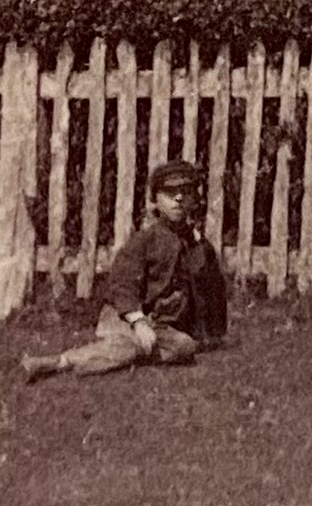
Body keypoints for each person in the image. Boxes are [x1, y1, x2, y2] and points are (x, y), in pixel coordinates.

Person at [21, 155, 230, 380]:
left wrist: (213, 333)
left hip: (162, 327)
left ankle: (128, 350)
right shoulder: (145, 240)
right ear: (155, 199)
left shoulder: (199, 244)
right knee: (137, 346)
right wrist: (138, 322)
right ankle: (59, 362)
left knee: (185, 346)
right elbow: (122, 283)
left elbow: (212, 290)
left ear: (194, 199)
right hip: (125, 317)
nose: (178, 199)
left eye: (185, 192)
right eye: (170, 194)